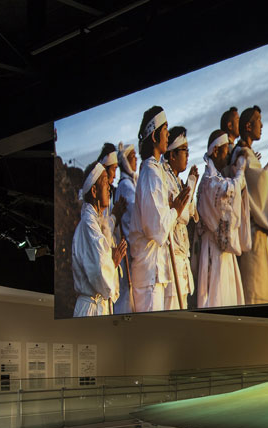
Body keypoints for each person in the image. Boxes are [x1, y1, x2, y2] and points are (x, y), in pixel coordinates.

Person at [130, 106, 195, 313]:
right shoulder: (151, 172)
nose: (167, 134)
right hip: (149, 272)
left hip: (154, 272)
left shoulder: (154, 170)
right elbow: (156, 229)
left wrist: (176, 207)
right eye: (165, 129)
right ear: (155, 135)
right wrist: (176, 209)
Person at [232, 105, 268, 305]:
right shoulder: (244, 155)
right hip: (253, 234)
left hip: (250, 232)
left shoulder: (241, 153)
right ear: (248, 125)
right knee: (256, 289)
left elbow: (257, 183)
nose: (261, 125)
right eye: (258, 121)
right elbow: (259, 185)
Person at [196, 130, 248, 308]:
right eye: (226, 151)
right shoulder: (210, 182)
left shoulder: (215, 180)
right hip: (213, 252)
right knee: (216, 298)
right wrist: (240, 170)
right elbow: (230, 190)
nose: (227, 156)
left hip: (221, 253)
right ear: (215, 151)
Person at [72, 162, 127, 316]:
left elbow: (104, 230)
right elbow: (99, 270)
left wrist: (115, 216)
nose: (109, 186)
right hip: (91, 309)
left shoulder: (94, 222)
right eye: (104, 181)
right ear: (94, 191)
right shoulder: (88, 225)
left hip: (98, 306)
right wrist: (113, 261)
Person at [161, 126, 197, 309]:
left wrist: (190, 187)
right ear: (172, 155)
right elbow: (182, 215)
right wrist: (191, 184)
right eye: (184, 150)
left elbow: (191, 212)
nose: (187, 155)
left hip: (181, 259)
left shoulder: (176, 180)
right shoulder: (165, 179)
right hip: (171, 261)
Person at [114, 141, 139, 313]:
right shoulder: (125, 185)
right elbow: (133, 218)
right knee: (127, 292)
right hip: (130, 248)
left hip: (131, 247)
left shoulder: (131, 183)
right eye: (132, 156)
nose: (135, 159)